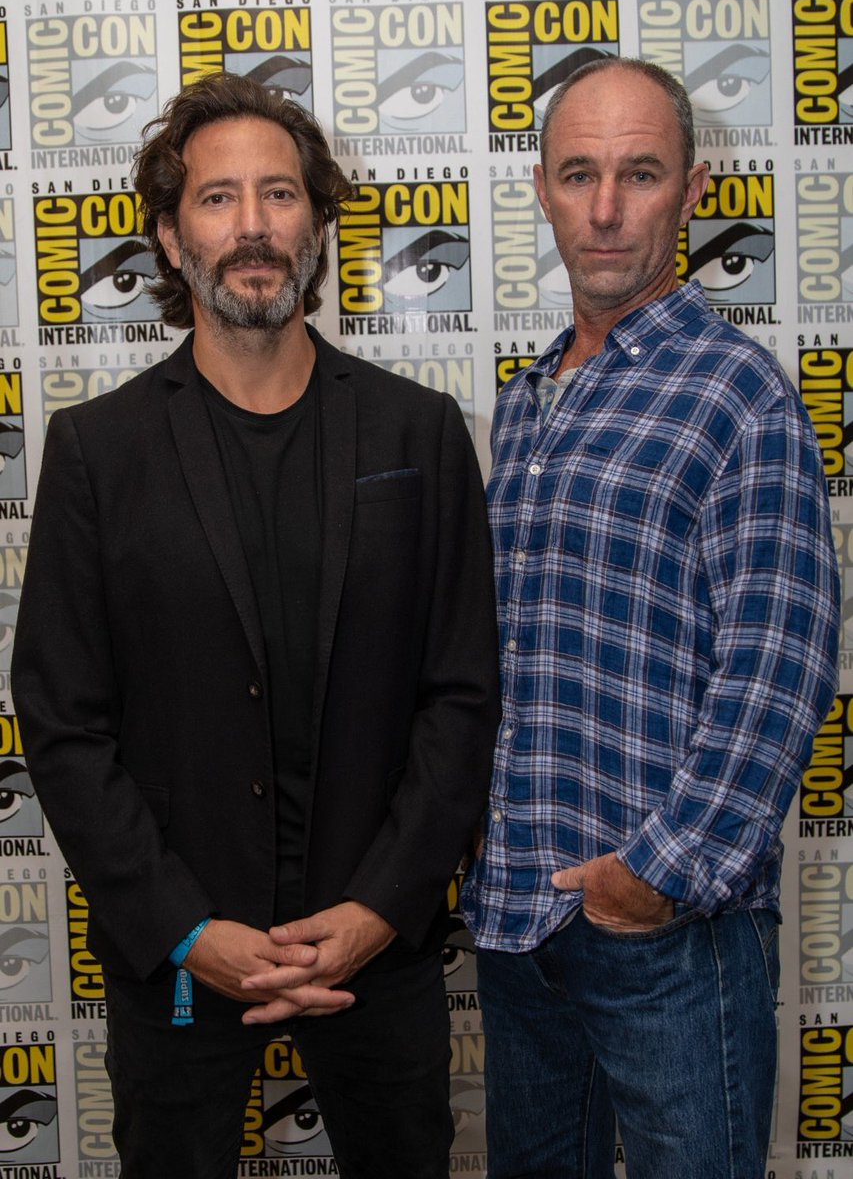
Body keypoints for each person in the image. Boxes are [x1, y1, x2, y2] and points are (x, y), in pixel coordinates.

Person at [12, 73, 500, 1179]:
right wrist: (187, 927)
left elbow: (462, 695)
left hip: (375, 947)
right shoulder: (97, 450)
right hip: (180, 960)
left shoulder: (418, 433)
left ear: (318, 226)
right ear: (170, 235)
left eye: (279, 196)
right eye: (219, 199)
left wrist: (381, 907)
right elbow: (62, 721)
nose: (253, 228)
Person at [462, 57, 840, 1179]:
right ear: (541, 188)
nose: (606, 207)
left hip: (666, 937)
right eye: (579, 174)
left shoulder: (737, 391)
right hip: (521, 924)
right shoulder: (526, 401)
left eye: (639, 173)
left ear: (690, 189)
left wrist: (661, 875)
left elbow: (782, 662)